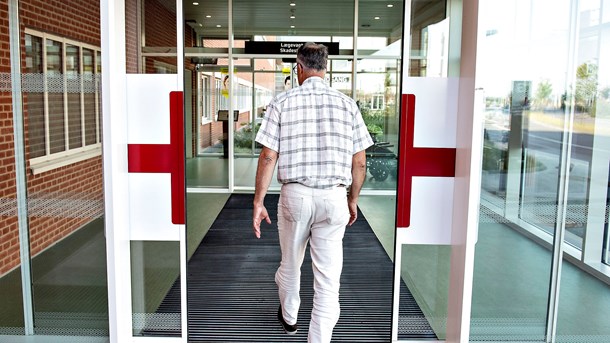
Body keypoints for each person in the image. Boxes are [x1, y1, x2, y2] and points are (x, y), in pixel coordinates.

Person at [251, 42, 373, 343]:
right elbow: (359, 161)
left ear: (299, 67)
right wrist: (352, 199)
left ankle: (290, 317)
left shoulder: (282, 102)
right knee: (328, 282)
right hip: (334, 198)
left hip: (295, 196)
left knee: (291, 264)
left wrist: (258, 201)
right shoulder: (348, 105)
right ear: (326, 67)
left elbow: (269, 155)